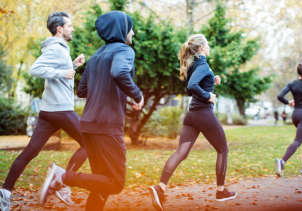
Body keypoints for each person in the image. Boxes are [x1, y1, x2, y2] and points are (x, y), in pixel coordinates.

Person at [39, 11, 143, 211]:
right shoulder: (124, 50)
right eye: (130, 28)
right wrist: (137, 95)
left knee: (101, 183)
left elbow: (83, 90)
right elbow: (119, 72)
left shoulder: (96, 56)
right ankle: (61, 176)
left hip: (88, 125)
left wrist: (119, 95)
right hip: (107, 127)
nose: (133, 33)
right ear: (121, 29)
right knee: (115, 183)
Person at [0, 12, 87, 211]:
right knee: (89, 143)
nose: (72, 29)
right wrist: (62, 72)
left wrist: (72, 66)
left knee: (31, 150)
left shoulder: (60, 49)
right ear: (60, 29)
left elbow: (59, 74)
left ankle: (4, 193)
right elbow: (35, 69)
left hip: (49, 110)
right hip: (61, 110)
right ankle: (62, 182)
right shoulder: (57, 48)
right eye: (70, 26)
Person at [149, 34, 237, 211]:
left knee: (181, 152)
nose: (209, 46)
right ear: (202, 47)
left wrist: (212, 81)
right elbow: (192, 88)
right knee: (223, 149)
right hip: (203, 114)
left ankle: (160, 188)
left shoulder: (195, 65)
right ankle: (220, 191)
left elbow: (192, 88)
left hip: (192, 116)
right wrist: (208, 96)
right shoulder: (202, 64)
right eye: (207, 44)